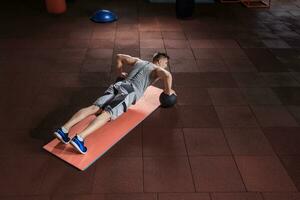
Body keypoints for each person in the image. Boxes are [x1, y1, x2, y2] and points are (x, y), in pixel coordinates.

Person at [53, 52, 176, 154]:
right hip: (129, 92)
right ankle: (79, 138)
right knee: (107, 114)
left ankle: (63, 129)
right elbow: (168, 75)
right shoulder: (157, 69)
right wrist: (168, 91)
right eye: (165, 63)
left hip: (119, 84)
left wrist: (120, 73)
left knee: (94, 107)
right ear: (160, 61)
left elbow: (119, 56)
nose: (165, 66)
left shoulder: (139, 61)